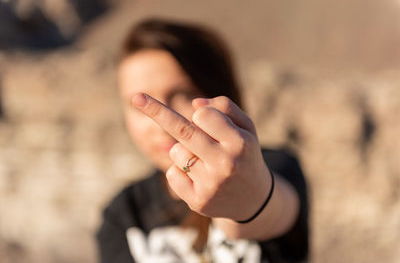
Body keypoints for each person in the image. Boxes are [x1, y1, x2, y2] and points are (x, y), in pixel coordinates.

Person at [96, 18, 309, 263]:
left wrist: (251, 200)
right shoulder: (123, 213)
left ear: (219, 94)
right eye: (139, 104)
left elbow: (273, 207)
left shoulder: (273, 167)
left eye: (183, 95)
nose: (160, 122)